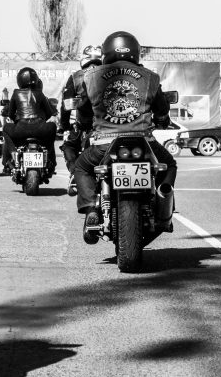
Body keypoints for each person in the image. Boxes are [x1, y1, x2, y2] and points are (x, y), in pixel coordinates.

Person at [69, 31, 178, 244]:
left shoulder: (90, 77)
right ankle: (163, 207)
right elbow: (162, 109)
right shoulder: (150, 77)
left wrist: (82, 124)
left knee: (81, 167)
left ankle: (91, 208)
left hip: (104, 143)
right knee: (170, 165)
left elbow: (83, 111)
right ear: (135, 52)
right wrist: (162, 119)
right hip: (143, 141)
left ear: (106, 52)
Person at [58, 46, 103, 194]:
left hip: (86, 126)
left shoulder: (76, 77)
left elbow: (66, 105)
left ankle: (74, 173)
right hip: (110, 124)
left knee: (69, 146)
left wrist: (65, 126)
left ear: (84, 59)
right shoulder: (110, 74)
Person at [1, 66, 58, 174]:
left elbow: (10, 114)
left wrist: (12, 119)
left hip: (21, 129)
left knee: (5, 128)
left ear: (20, 80)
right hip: (40, 128)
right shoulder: (40, 93)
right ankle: (49, 155)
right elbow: (50, 113)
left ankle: (13, 154)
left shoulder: (16, 93)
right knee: (53, 127)